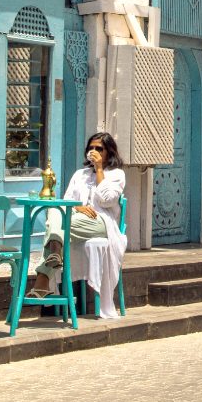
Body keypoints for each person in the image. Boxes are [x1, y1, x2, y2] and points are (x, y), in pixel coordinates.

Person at [44, 131, 128, 319]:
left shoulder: (116, 174)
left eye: (99, 149)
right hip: (77, 219)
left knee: (56, 222)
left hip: (102, 223)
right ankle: (55, 254)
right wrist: (78, 208)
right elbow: (66, 201)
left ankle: (45, 273)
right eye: (91, 148)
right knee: (54, 212)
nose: (94, 151)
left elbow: (107, 200)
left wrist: (99, 169)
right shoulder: (79, 174)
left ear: (109, 152)